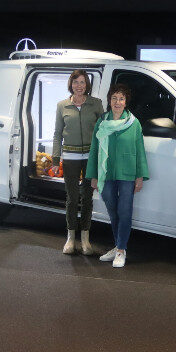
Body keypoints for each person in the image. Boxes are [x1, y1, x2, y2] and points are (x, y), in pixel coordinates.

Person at [86, 83, 148, 268]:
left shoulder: (133, 123)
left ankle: (121, 250)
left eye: (121, 98)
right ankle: (118, 245)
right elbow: (95, 149)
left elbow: (140, 150)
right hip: (106, 175)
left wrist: (140, 176)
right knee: (113, 211)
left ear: (126, 101)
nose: (118, 102)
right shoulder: (102, 122)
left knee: (124, 211)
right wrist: (94, 176)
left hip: (127, 174)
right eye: (114, 98)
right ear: (110, 100)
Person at [51, 70, 105, 255]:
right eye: (76, 82)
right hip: (71, 157)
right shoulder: (62, 106)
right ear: (71, 84)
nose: (79, 85)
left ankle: (85, 240)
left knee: (87, 198)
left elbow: (103, 132)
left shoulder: (96, 104)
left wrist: (102, 159)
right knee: (72, 199)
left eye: (82, 82)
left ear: (87, 84)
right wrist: (56, 159)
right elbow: (57, 134)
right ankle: (70, 238)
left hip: (90, 157)